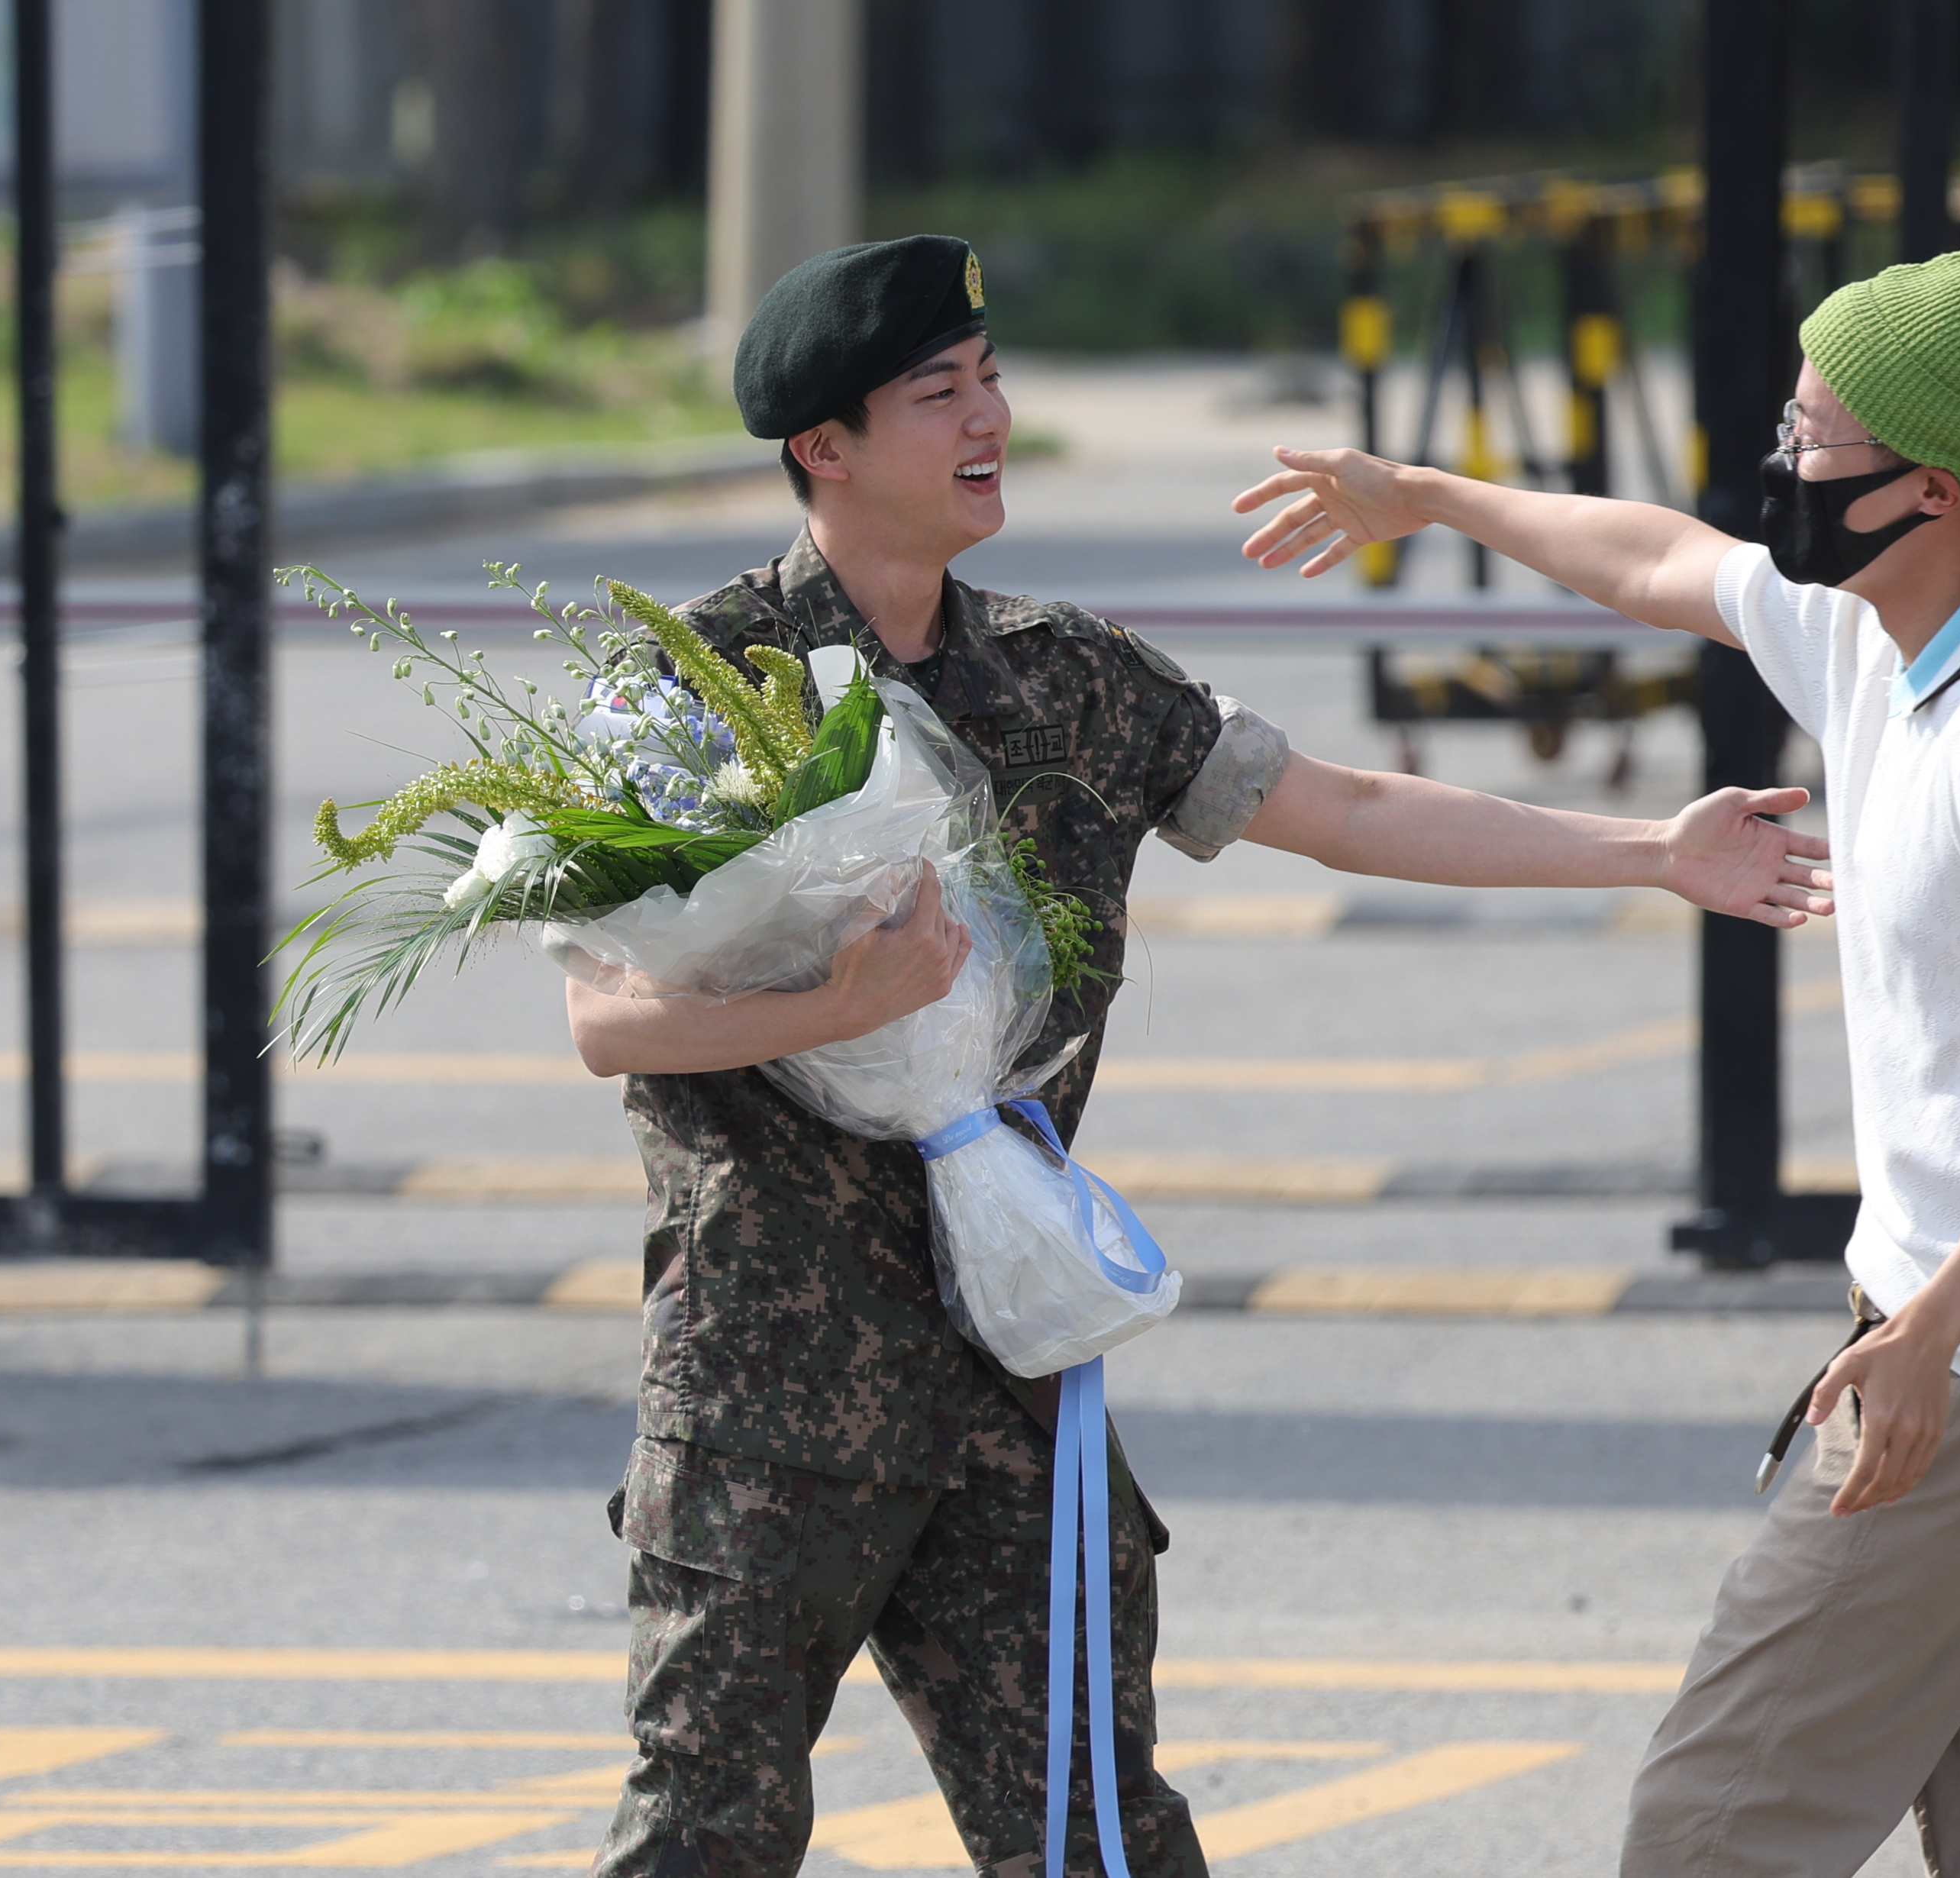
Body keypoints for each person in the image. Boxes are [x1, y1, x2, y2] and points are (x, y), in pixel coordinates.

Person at [574, 234, 1835, 1878]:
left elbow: (1348, 807)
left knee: (1103, 1837)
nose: (991, 419)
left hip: (1004, 1374)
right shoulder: (693, 691)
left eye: (995, 379)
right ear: (823, 446)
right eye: (939, 393)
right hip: (765, 1397)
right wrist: (847, 1005)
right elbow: (608, 1018)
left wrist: (1650, 853)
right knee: (703, 1843)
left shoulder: (1070, 679)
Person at [1235, 248, 1960, 1877]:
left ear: (1937, 485)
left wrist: (1926, 1338)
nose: (1784, 463)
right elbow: (1661, 560)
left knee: (1712, 1828)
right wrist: (1430, 496)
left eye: (1817, 439)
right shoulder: (1887, 624)